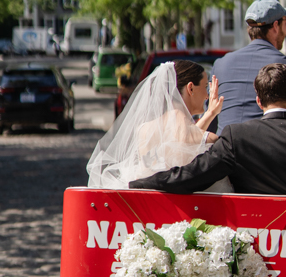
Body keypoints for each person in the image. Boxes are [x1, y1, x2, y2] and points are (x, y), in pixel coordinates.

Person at [130, 62, 286, 201]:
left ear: (258, 101)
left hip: (256, 245)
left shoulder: (237, 137)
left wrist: (138, 183)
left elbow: (190, 176)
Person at [87, 60, 223, 188]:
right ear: (191, 88)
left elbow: (180, 141)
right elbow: (187, 140)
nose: (207, 96)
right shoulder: (208, 139)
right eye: (205, 87)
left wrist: (210, 114)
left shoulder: (144, 131)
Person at [211, 0, 286, 130]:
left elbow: (210, 119)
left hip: (225, 147)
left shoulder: (221, 65)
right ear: (275, 26)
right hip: (269, 148)